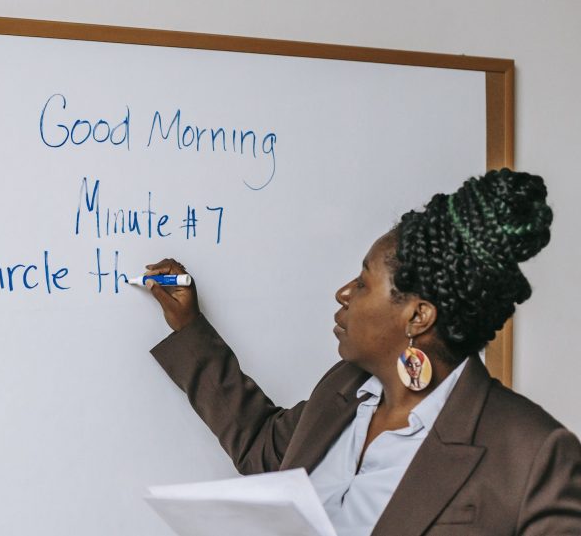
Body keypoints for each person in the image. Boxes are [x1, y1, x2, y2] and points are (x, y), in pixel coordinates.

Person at [144, 168, 581, 535]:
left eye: (364, 282)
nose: (344, 293)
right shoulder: (344, 390)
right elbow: (262, 445)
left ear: (418, 316)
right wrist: (190, 327)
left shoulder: (533, 453)